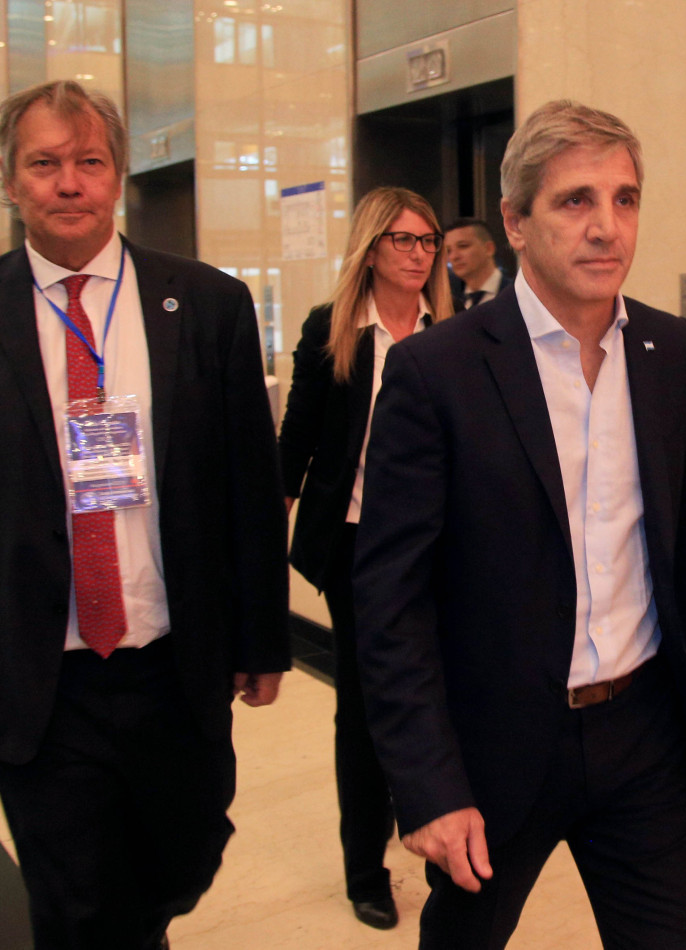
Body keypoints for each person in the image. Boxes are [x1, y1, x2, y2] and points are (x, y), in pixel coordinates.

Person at [0, 80, 289, 950]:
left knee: (182, 861)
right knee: (75, 908)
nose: (68, 183)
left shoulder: (209, 305)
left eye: (88, 162)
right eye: (44, 164)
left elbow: (249, 491)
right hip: (37, 672)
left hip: (175, 665)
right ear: (8, 180)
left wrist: (262, 640)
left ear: (117, 178)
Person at [353, 100, 686, 949]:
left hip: (642, 730)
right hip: (497, 742)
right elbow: (390, 602)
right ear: (516, 221)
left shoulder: (668, 350)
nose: (606, 227)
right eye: (576, 200)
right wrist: (428, 784)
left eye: (625, 199)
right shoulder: (439, 372)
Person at [279, 186, 454, 930]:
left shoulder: (453, 331)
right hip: (353, 543)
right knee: (367, 708)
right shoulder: (335, 330)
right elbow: (296, 444)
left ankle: (441, 836)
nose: (418, 255)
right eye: (403, 241)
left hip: (436, 547)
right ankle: (365, 870)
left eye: (427, 242)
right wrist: (261, 531)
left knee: (440, 699)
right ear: (371, 248)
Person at [444, 217, 512, 311]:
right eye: (448, 251)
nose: (454, 257)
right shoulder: (452, 304)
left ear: (489, 249)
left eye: (463, 246)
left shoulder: (517, 294)